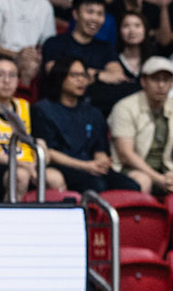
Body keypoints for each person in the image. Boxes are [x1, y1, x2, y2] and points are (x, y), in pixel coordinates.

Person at [110, 57, 173, 197]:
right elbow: (126, 154)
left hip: (167, 169)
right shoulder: (124, 107)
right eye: (155, 79)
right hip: (131, 169)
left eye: (166, 80)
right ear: (143, 82)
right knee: (143, 181)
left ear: (172, 83)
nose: (161, 85)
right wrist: (158, 179)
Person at [33, 56, 134, 194]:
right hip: (63, 166)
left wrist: (101, 162)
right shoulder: (43, 109)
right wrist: (86, 166)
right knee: (96, 185)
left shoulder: (93, 113)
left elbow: (100, 149)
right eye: (75, 75)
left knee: (130, 186)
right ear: (60, 77)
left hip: (90, 166)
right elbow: (49, 152)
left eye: (84, 75)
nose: (81, 80)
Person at [0, 54, 66, 200]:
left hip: (29, 165)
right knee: (19, 175)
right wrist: (20, 164)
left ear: (18, 81)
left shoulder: (27, 108)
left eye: (12, 75)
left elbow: (42, 147)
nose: (6, 81)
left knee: (55, 178)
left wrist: (35, 166)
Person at [40, 0, 116, 75]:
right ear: (76, 14)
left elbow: (117, 75)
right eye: (90, 12)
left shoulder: (105, 48)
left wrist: (76, 74)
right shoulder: (55, 43)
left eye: (100, 14)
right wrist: (100, 75)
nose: (95, 18)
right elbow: (54, 73)